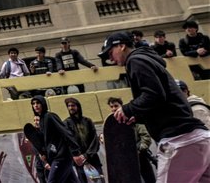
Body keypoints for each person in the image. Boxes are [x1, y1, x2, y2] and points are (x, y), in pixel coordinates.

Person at [99, 31, 210, 182]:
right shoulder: (148, 59)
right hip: (200, 138)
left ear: (122, 46)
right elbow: (162, 101)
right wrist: (138, 116)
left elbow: (154, 94)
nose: (110, 59)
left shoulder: (136, 61)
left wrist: (127, 109)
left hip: (179, 141)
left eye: (110, 53)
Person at [30, 97, 83, 183]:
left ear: (43, 104)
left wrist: (75, 152)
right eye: (33, 104)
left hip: (61, 157)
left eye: (38, 103)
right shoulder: (41, 121)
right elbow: (47, 142)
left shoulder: (49, 116)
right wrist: (44, 155)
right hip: (55, 157)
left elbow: (65, 132)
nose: (35, 105)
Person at [106, 97, 156, 183]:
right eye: (111, 107)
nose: (114, 108)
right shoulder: (110, 123)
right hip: (124, 159)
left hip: (140, 156)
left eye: (116, 106)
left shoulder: (132, 119)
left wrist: (139, 149)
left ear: (121, 106)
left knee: (149, 179)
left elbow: (146, 137)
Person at [62, 98, 103, 182]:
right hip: (78, 160)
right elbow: (68, 142)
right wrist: (77, 156)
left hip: (92, 157)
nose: (70, 108)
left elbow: (94, 140)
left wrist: (86, 155)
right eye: (68, 106)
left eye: (72, 105)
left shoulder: (88, 121)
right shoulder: (66, 123)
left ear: (78, 107)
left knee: (99, 180)